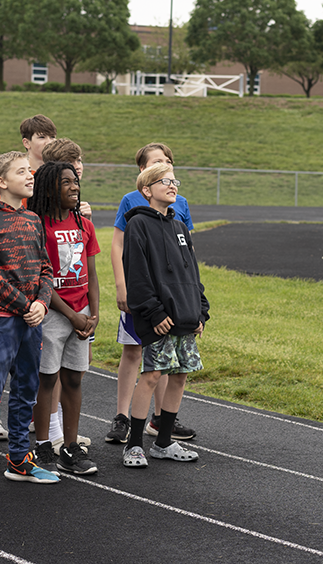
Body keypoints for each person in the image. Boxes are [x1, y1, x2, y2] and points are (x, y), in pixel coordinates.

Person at [0, 152, 59, 494]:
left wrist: (41, 304)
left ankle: (19, 459)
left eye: (29, 170)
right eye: (21, 171)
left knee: (26, 391)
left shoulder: (33, 219)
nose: (30, 175)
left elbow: (47, 269)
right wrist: (24, 305)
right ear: (2, 182)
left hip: (32, 320)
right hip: (0, 320)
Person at [106, 143, 197, 447]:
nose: (169, 178)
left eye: (170, 167)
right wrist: (124, 288)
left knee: (174, 369)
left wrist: (198, 307)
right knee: (141, 359)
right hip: (149, 302)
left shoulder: (178, 211)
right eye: (159, 167)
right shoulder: (134, 212)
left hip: (179, 306)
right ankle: (125, 423)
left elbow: (188, 260)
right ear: (144, 175)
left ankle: (162, 425)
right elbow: (127, 255)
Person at [121, 163, 209, 468]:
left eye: (175, 182)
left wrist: (201, 311)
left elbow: (192, 272)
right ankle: (133, 445)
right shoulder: (138, 226)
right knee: (152, 375)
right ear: (147, 190)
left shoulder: (179, 228)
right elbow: (138, 275)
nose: (172, 186)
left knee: (180, 375)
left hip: (184, 316)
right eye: (164, 182)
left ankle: (163, 441)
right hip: (159, 317)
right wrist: (154, 311)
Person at [28, 161, 100, 475]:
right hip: (53, 314)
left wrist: (92, 315)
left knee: (74, 378)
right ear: (48, 189)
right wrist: (71, 315)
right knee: (48, 380)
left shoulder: (84, 224)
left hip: (81, 315)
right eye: (65, 182)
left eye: (75, 181)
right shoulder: (38, 225)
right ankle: (43, 445)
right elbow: (39, 279)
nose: (74, 187)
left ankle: (70, 446)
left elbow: (92, 274)